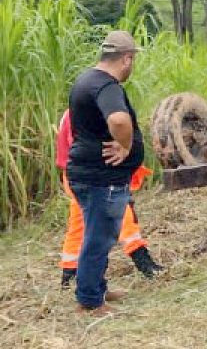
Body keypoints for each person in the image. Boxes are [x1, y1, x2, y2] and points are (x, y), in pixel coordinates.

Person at [66, 30, 147, 316]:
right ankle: (89, 301)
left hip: (85, 173)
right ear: (126, 58)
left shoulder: (87, 79)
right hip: (102, 178)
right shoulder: (107, 86)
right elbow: (118, 119)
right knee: (99, 239)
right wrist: (125, 146)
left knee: (96, 233)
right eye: (132, 60)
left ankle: (96, 287)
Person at [56, 109, 162, 287]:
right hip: (93, 174)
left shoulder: (71, 113)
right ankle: (144, 263)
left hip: (74, 175)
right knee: (122, 212)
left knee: (79, 222)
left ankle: (69, 274)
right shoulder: (96, 111)